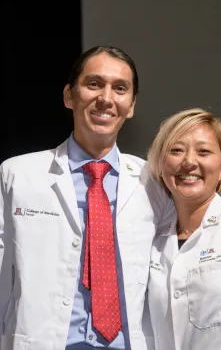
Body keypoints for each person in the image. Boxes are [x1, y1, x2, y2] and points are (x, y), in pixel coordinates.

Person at [0, 45, 174, 350]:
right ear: (69, 96)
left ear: (131, 105)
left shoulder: (156, 182)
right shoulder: (17, 175)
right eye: (94, 84)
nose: (106, 98)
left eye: (120, 88)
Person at [147, 108, 221, 350]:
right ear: (159, 164)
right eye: (176, 150)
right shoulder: (149, 241)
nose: (188, 162)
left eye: (204, 151)